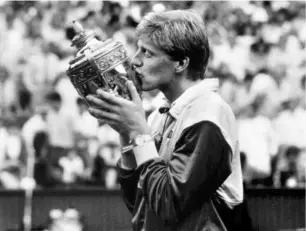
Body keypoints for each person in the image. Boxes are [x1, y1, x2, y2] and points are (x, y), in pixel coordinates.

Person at [86, 10, 243, 231]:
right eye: (138, 49)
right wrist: (126, 133)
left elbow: (170, 205)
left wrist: (138, 132)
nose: (135, 61)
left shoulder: (209, 114)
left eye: (147, 53)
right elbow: (138, 203)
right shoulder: (157, 114)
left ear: (181, 63)